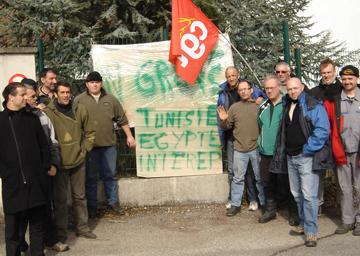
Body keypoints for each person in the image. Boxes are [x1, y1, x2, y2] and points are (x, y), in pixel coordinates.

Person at [271, 77, 330, 247]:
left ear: (302, 87)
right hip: (290, 157)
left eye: (295, 88)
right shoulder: (287, 103)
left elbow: (322, 130)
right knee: (297, 194)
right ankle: (304, 224)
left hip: (306, 157)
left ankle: (311, 232)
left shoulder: (312, 104)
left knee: (309, 195)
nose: (292, 92)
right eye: (289, 89)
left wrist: (307, 149)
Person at [74, 71, 136, 218]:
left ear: (101, 83)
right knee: (91, 177)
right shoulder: (79, 100)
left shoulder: (111, 99)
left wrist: (129, 136)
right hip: (89, 147)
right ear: (86, 84)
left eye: (97, 82)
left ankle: (113, 203)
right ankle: (92, 208)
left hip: (108, 145)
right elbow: (73, 123)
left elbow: (121, 119)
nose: (94, 85)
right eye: (91, 82)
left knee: (111, 175)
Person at [0, 82, 50, 256]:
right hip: (12, 184)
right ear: (11, 97)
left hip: (35, 182)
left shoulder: (32, 119)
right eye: (22, 94)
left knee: (37, 226)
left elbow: (44, 146)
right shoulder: (0, 121)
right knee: (13, 231)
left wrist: (44, 168)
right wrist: (4, 173)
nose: (26, 97)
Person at [19, 82, 69, 252]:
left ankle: (51, 240)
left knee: (46, 207)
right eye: (32, 96)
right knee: (22, 211)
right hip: (23, 173)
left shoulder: (42, 116)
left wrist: (54, 163)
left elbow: (52, 142)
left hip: (43, 169)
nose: (36, 100)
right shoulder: (12, 119)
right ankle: (20, 243)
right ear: (22, 96)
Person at [44, 82, 97, 242]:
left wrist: (84, 150)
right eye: (62, 92)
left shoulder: (80, 109)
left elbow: (90, 132)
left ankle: (82, 228)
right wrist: (53, 159)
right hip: (59, 163)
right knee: (59, 200)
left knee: (80, 196)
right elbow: (45, 138)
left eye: (68, 92)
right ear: (56, 94)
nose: (66, 95)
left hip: (78, 161)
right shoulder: (48, 113)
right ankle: (61, 233)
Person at [217, 66, 265, 210]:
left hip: (251, 139)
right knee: (234, 172)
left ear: (238, 75)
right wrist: (221, 137)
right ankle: (234, 200)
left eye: (233, 75)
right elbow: (222, 120)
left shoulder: (251, 90)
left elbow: (265, 98)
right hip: (233, 138)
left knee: (255, 173)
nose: (231, 78)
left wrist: (260, 99)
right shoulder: (224, 94)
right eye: (228, 76)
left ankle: (255, 200)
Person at [257, 75, 299, 225]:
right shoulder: (262, 106)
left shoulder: (287, 104)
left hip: (282, 152)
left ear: (278, 88)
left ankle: (293, 213)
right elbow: (259, 126)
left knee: (288, 183)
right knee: (267, 182)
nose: (269, 91)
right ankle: (270, 210)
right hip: (265, 152)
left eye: (272, 88)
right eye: (266, 88)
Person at [324, 65, 360, 236]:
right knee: (344, 187)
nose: (347, 81)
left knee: (359, 187)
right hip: (342, 151)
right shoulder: (334, 100)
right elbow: (328, 125)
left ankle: (359, 221)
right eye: (344, 79)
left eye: (350, 78)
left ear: (357, 79)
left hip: (359, 151)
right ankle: (347, 220)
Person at [309, 57, 342, 216]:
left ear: (334, 71)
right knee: (318, 175)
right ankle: (318, 207)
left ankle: (343, 207)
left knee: (341, 176)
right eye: (323, 73)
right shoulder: (314, 92)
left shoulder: (342, 90)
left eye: (329, 72)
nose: (326, 75)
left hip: (339, 139)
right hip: (320, 140)